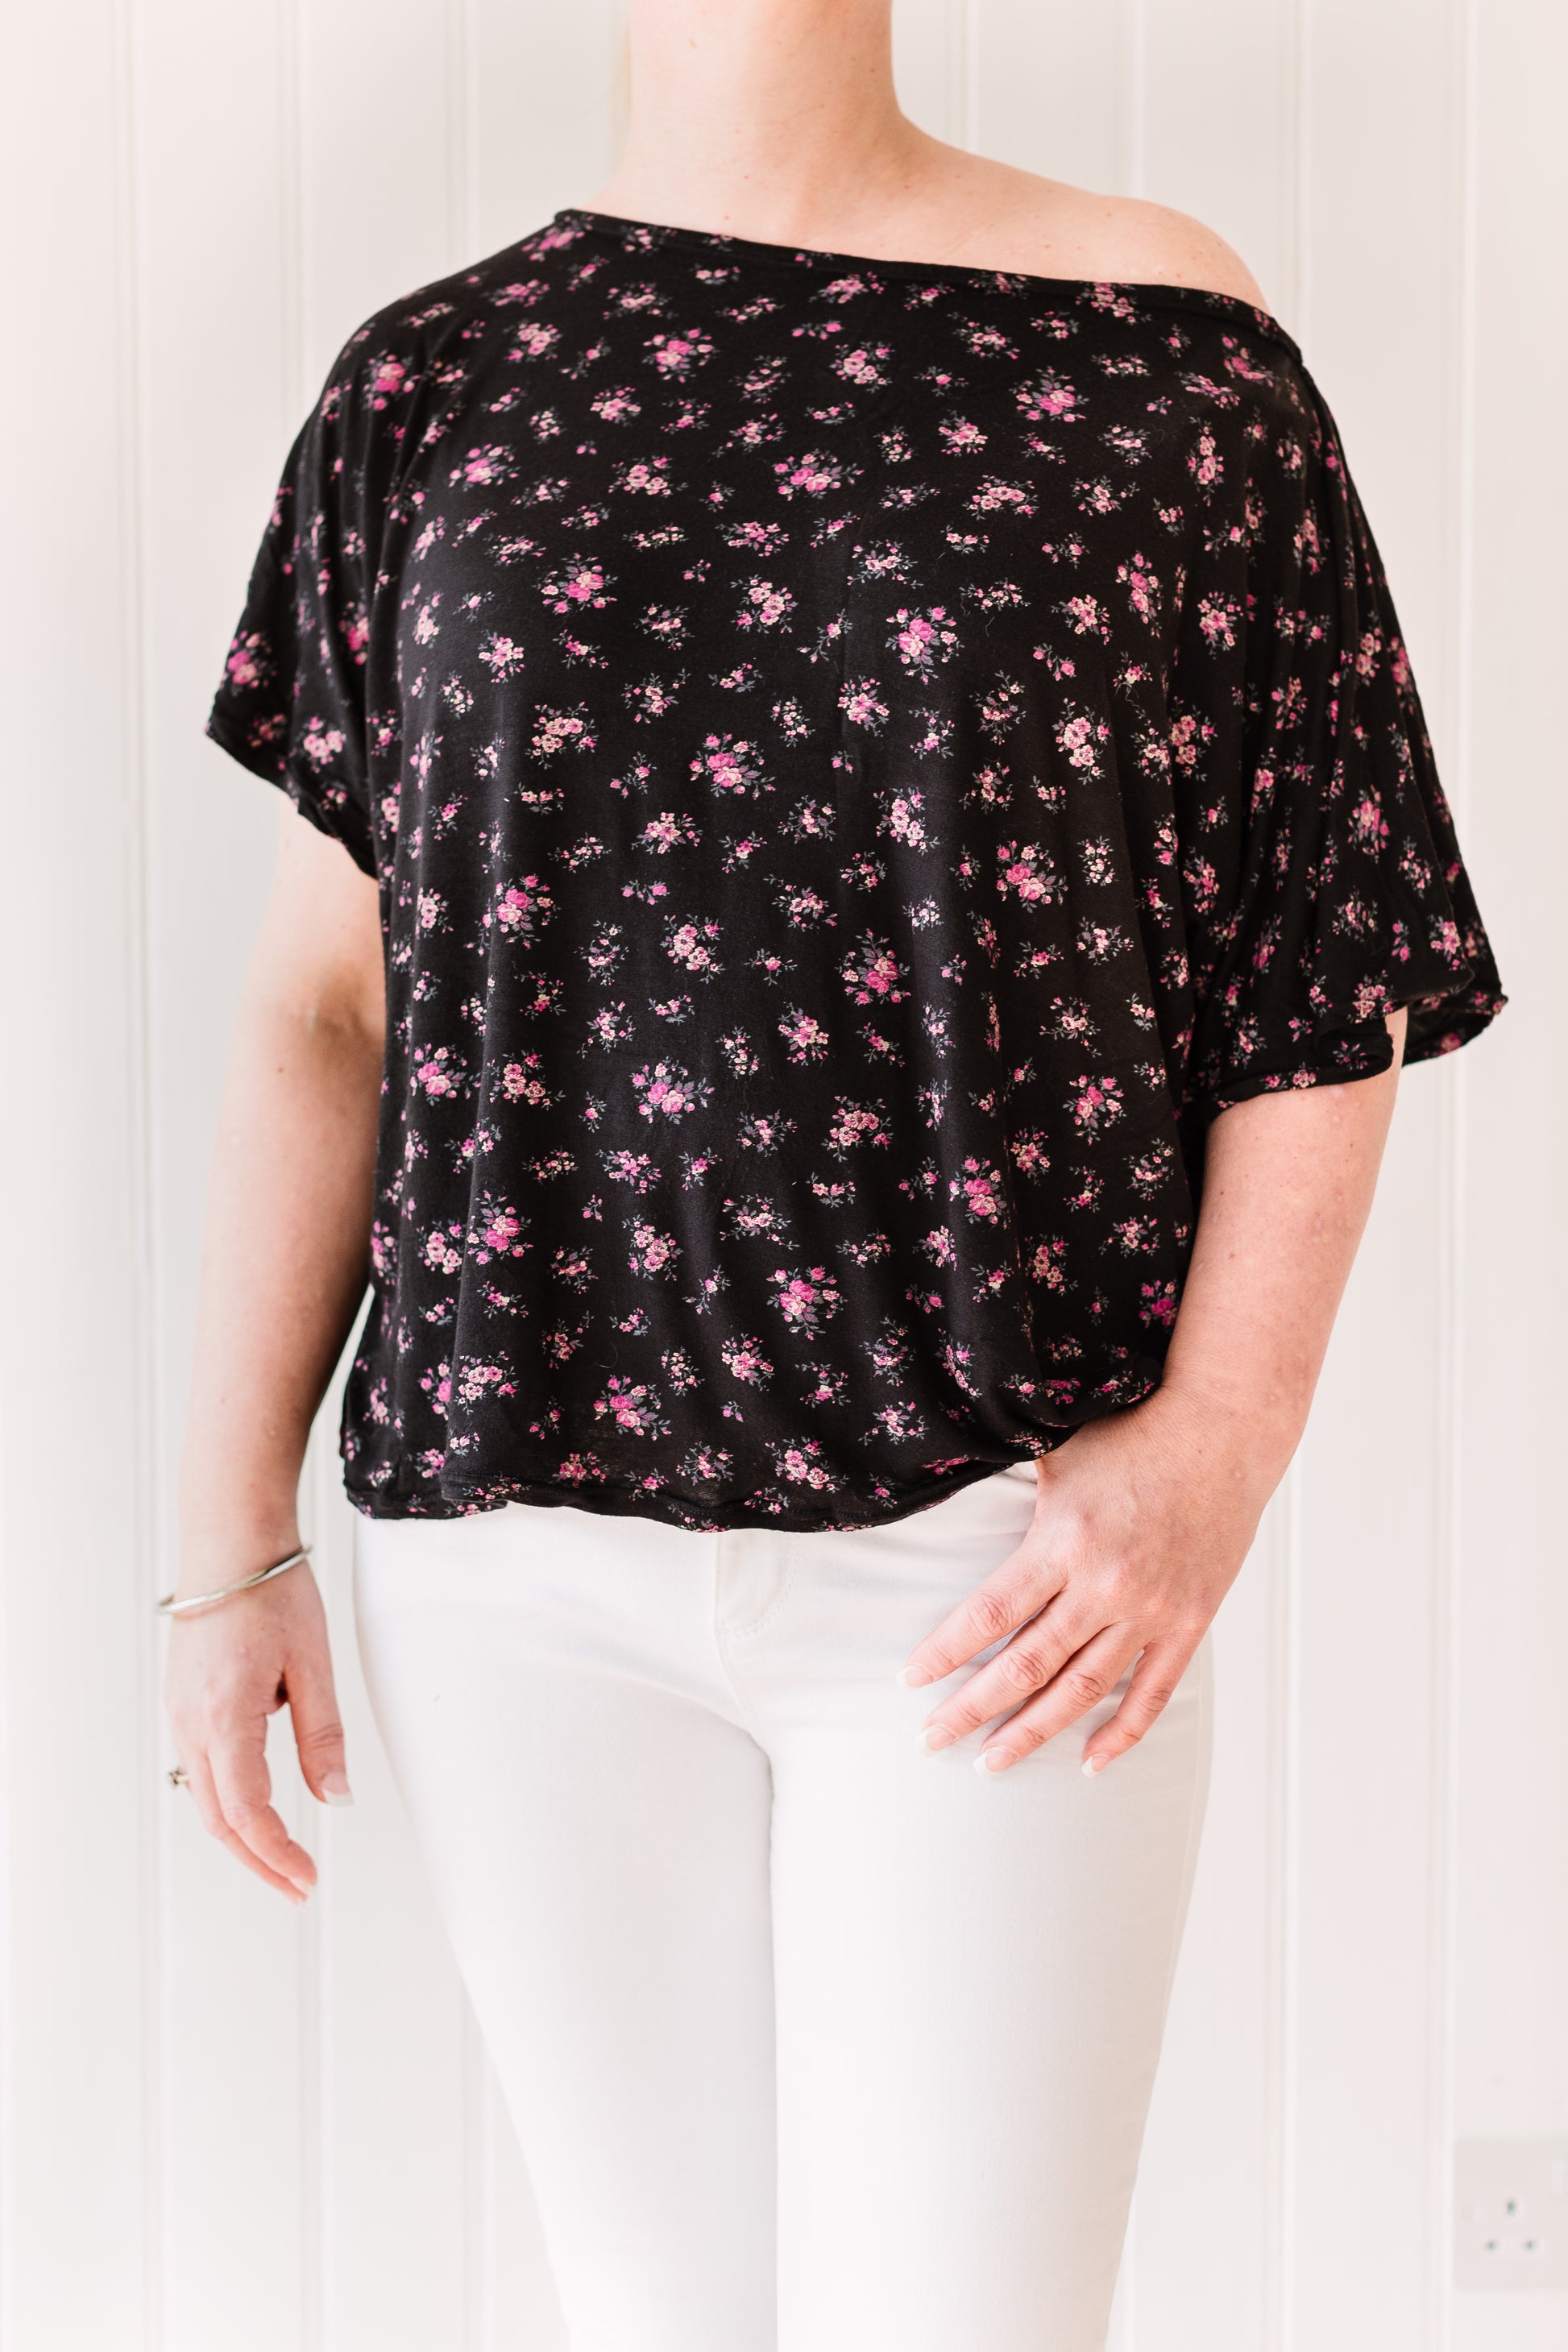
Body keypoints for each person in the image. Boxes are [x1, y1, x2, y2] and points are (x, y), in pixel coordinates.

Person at [164, 3, 1504, 2346]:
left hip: (988, 1563)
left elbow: (1333, 945)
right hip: (511, 1556)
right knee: (652, 2311)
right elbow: (321, 1012)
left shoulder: (1156, 344)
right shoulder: (429, 390)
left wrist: (1220, 1439)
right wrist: (223, 1546)